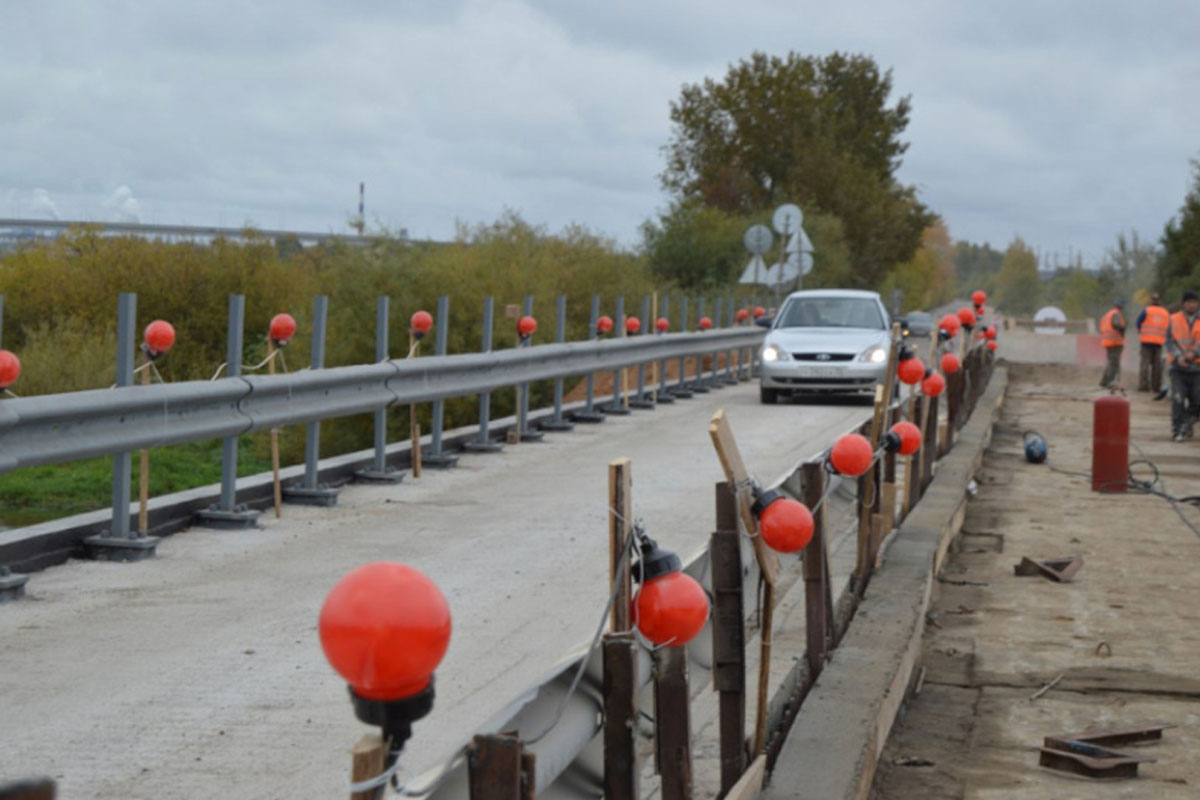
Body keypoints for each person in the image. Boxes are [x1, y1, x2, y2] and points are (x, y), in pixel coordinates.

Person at [1166, 291, 1200, 441]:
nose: (1191, 304)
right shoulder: (1173, 319)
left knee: (1197, 401)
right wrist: (1179, 356)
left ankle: (1188, 422)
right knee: (1178, 399)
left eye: (1194, 301)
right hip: (1178, 369)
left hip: (1197, 368)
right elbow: (1168, 341)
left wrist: (1194, 354)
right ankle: (1177, 430)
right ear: (1183, 303)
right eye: (1188, 302)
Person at [1136, 294, 1169, 397]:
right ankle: (1156, 386)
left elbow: (1138, 323)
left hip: (1146, 342)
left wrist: (1141, 331)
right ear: (1159, 301)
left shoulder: (1147, 310)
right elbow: (1169, 327)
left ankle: (1144, 386)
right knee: (1157, 366)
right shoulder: (1165, 313)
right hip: (1159, 343)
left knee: (1144, 365)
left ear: (1151, 301)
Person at [1099, 298, 1126, 388]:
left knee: (1111, 362)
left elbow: (1102, 328)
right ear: (1121, 306)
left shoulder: (1107, 314)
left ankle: (1104, 381)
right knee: (1114, 363)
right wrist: (1122, 329)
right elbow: (1116, 324)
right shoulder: (1116, 314)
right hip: (1115, 342)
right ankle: (1110, 382)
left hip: (1107, 341)